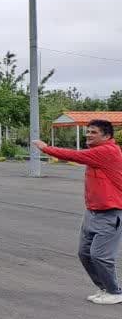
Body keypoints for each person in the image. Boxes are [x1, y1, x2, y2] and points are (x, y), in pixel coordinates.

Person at [34, 120, 122, 305]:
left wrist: (46, 148)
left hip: (111, 212)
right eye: (87, 131)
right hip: (92, 212)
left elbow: (74, 155)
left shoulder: (108, 151)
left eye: (93, 132)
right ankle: (105, 288)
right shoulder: (97, 153)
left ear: (107, 136)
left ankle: (115, 292)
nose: (88, 134)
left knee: (100, 255)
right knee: (84, 254)